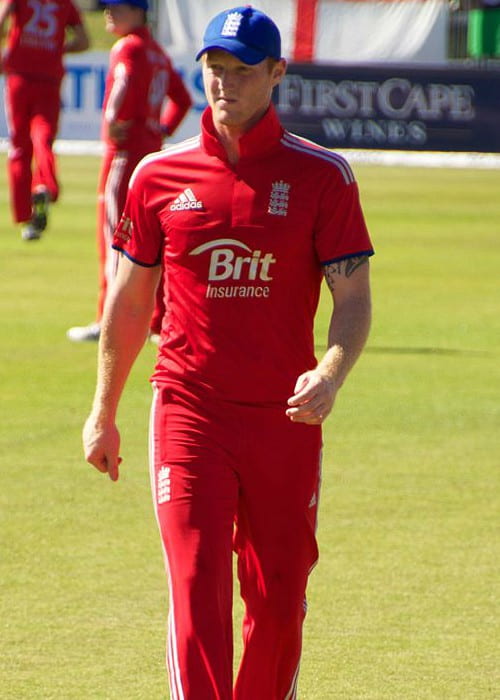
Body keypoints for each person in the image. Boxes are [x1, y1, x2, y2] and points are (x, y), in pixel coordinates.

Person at [83, 5, 373, 698]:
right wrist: (103, 411)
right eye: (215, 68)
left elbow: (354, 300)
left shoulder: (322, 177)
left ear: (277, 73)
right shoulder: (158, 175)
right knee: (195, 584)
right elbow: (127, 305)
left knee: (277, 602)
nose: (224, 83)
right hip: (189, 413)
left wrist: (330, 373)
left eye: (243, 71)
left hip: (286, 420)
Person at [66, 0, 192, 342]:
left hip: (124, 157)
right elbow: (182, 100)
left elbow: (123, 85)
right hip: (151, 156)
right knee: (152, 239)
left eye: (118, 7)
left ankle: (108, 318)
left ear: (138, 12)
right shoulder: (157, 52)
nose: (109, 12)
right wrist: (161, 129)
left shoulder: (129, 47)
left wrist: (112, 121)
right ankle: (161, 319)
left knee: (114, 239)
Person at [0, 0, 89, 241]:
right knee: (43, 135)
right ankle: (45, 184)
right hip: (49, 77)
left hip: (19, 75)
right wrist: (58, 47)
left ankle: (24, 216)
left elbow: (1, 20)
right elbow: (83, 41)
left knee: (19, 145)